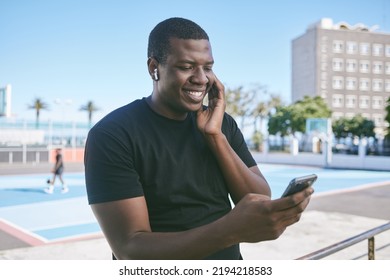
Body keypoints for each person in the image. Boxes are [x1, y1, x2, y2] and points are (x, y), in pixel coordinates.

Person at [84, 17, 313, 260]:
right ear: (154, 68)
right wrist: (230, 230)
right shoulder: (112, 135)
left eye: (208, 67)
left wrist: (215, 136)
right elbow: (130, 249)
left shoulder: (221, 123)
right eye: (186, 66)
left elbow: (258, 197)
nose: (202, 78)